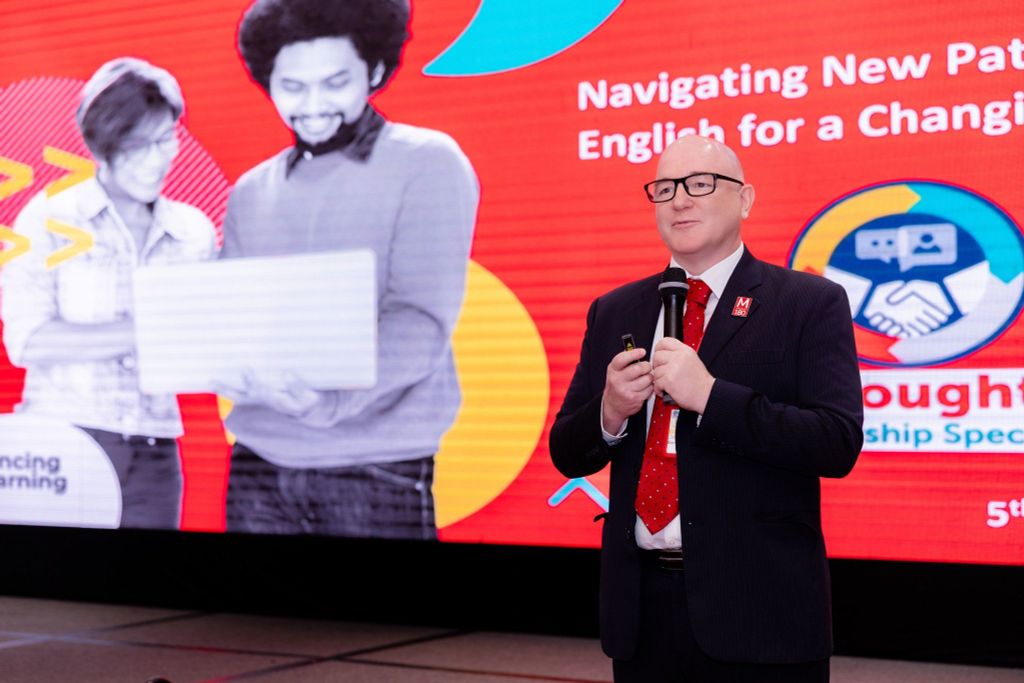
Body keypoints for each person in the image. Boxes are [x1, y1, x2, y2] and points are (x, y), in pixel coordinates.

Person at [549, 135, 863, 682]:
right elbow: (567, 452)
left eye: (699, 184)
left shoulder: (808, 302)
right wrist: (611, 412)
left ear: (745, 199)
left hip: (760, 611)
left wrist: (711, 397)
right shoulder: (614, 310)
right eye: (665, 188)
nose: (679, 200)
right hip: (641, 612)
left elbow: (836, 442)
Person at [218, 0, 479, 539]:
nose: (313, 106)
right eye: (292, 87)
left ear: (375, 71)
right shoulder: (250, 190)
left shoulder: (428, 161)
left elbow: (420, 322)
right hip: (257, 463)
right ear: (268, 83)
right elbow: (236, 319)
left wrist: (329, 402)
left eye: (335, 82)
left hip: (375, 466)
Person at [1, 58, 218, 529]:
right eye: (137, 146)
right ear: (103, 146)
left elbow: (207, 343)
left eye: (166, 139)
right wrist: (152, 329)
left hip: (156, 448)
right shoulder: (50, 218)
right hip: (65, 440)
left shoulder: (194, 231)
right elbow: (28, 340)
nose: (157, 159)